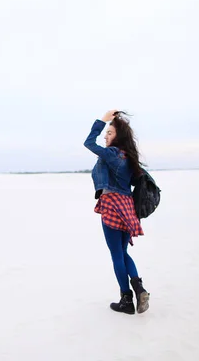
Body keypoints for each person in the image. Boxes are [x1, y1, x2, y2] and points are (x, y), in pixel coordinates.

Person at [83, 109, 150, 314]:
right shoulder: (128, 157)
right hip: (127, 207)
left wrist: (103, 120)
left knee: (116, 255)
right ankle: (139, 288)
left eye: (109, 133)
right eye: (106, 132)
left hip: (112, 204)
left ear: (119, 136)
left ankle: (126, 301)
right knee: (122, 252)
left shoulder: (112, 154)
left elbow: (89, 143)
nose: (106, 136)